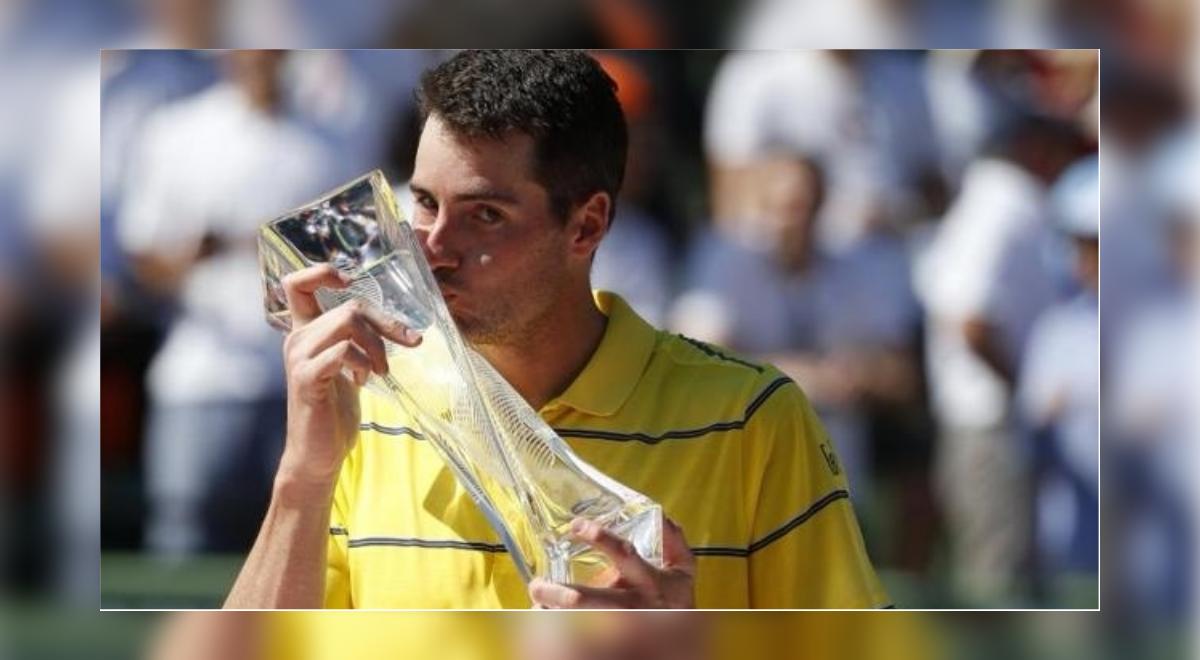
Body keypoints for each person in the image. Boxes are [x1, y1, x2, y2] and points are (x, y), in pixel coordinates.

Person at [225, 50, 886, 609]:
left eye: (484, 215)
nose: (433, 246)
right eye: (423, 202)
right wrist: (303, 480)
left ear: (587, 226)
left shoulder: (753, 419)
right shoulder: (359, 407)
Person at [117, 50, 335, 557]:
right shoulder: (176, 131)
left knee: (300, 540)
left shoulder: (329, 142)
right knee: (185, 542)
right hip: (201, 376)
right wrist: (196, 254)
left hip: (301, 377)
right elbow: (141, 258)